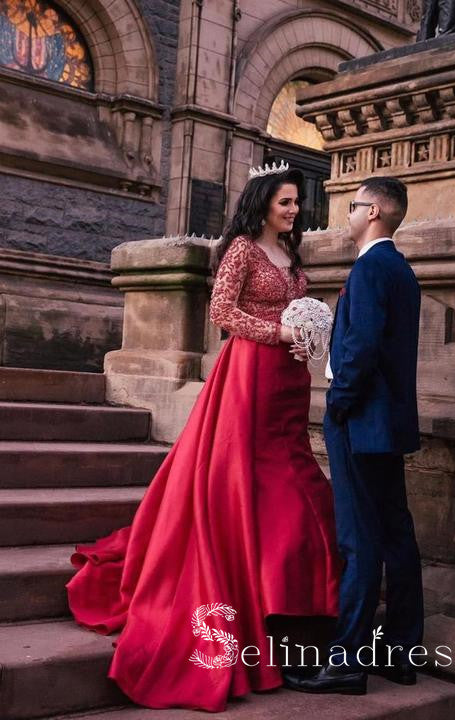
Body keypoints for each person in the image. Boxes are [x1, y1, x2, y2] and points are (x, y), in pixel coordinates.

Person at [66, 165, 340, 712]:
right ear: (263, 202)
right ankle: (244, 577)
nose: (293, 211)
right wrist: (280, 330)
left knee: (293, 473)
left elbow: (292, 312)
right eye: (286, 202)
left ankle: (284, 590)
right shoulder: (240, 248)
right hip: (250, 375)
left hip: (289, 380)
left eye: (296, 204)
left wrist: (308, 337)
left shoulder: (292, 255)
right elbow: (222, 312)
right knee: (249, 475)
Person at [285, 176, 424, 695]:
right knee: (396, 536)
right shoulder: (403, 270)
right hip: (388, 425)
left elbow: (360, 349)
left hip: (361, 423)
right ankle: (400, 652)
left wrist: (338, 405)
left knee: (359, 542)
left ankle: (345, 663)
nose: (346, 213)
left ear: (372, 213)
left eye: (351, 204)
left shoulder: (369, 269)